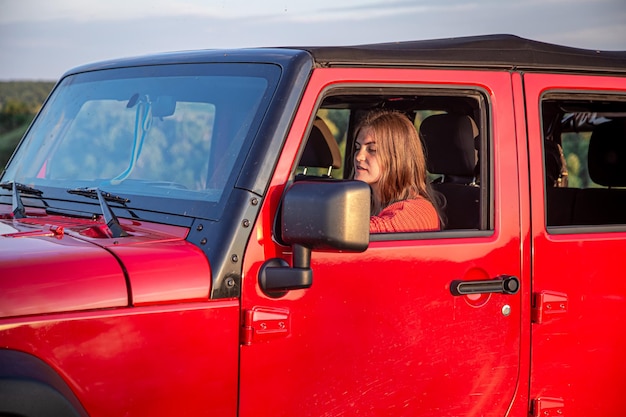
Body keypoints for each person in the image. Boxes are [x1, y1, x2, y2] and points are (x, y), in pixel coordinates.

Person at [353, 110, 441, 233]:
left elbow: (354, 232)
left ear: (397, 157)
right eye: (357, 148)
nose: (359, 157)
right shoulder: (364, 205)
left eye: (372, 149)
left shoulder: (418, 212)